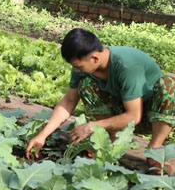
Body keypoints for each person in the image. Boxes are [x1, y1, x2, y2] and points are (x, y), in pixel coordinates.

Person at [25, 28, 175, 175]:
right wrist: (42, 136)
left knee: (169, 85)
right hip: (121, 113)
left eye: (78, 66)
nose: (76, 70)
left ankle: (155, 149)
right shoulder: (84, 69)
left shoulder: (127, 67)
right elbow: (69, 102)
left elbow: (134, 117)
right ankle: (109, 139)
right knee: (85, 85)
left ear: (95, 58)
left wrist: (92, 126)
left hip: (152, 116)